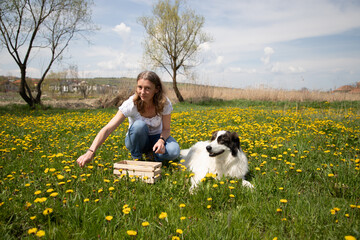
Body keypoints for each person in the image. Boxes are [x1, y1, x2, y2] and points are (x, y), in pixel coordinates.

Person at [77, 71, 180, 168]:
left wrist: (161, 141)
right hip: (136, 139)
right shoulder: (131, 104)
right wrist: (91, 151)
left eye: (147, 88)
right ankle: (137, 157)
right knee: (139, 126)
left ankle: (154, 156)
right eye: (140, 87)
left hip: (157, 138)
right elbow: (108, 128)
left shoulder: (164, 103)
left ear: (156, 89)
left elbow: (166, 129)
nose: (142, 92)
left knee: (174, 151)